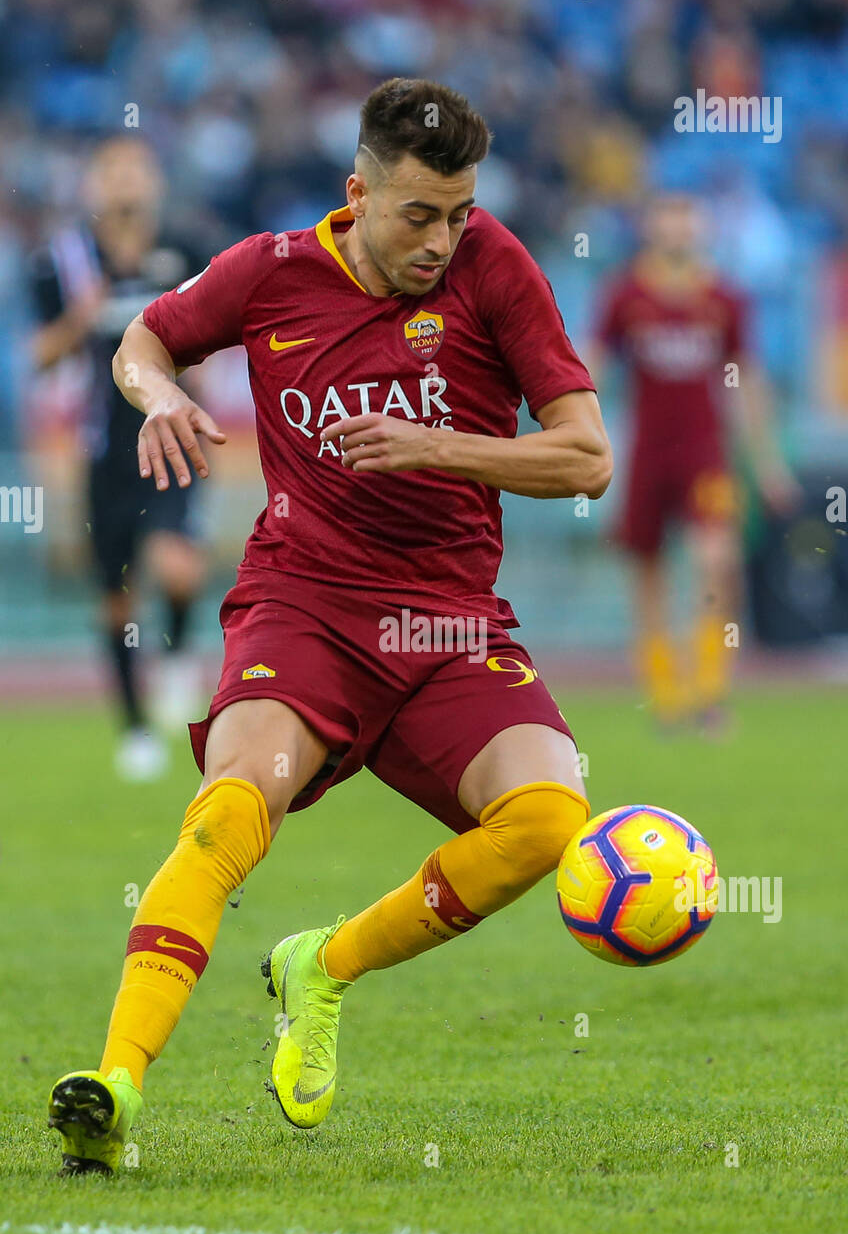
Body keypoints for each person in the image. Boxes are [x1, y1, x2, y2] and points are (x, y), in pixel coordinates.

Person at [48, 78, 612, 1174]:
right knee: (227, 810)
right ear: (356, 194)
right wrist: (157, 395)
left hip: (449, 624)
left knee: (548, 821)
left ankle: (325, 964)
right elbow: (141, 339)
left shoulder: (496, 266)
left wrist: (437, 445)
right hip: (302, 603)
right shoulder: (268, 273)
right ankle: (113, 1089)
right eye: (417, 216)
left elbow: (586, 454)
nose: (441, 240)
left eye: (457, 213)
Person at [30, 137, 210, 780]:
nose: (126, 184)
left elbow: (216, 337)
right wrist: (87, 313)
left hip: (171, 435)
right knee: (116, 598)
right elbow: (40, 357)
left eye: (137, 169)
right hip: (103, 449)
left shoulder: (185, 252)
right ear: (94, 187)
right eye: (113, 172)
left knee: (179, 566)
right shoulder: (63, 261)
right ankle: (135, 730)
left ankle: (180, 656)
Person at [590, 192, 799, 732]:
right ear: (652, 227)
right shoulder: (625, 294)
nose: (679, 229)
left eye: (688, 219)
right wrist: (583, 436)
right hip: (648, 453)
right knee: (648, 575)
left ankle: (708, 692)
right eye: (669, 218)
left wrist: (768, 461)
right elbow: (593, 367)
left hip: (707, 452)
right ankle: (665, 696)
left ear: (701, 229)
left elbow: (747, 379)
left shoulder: (725, 299)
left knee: (716, 564)